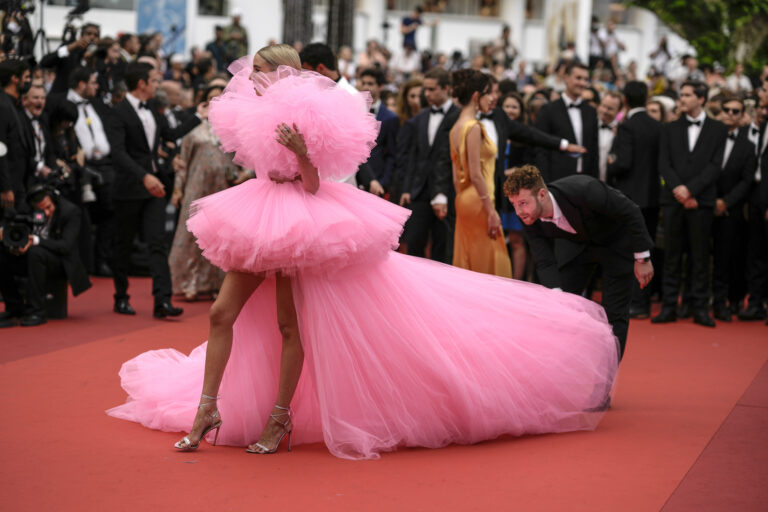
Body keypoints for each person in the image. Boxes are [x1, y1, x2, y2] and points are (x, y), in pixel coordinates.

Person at [107, 46, 620, 460]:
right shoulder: (248, 110)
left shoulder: (306, 112)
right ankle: (207, 409)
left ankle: (280, 415)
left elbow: (311, 184)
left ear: (280, 74)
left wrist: (302, 153)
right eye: (251, 72)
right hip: (259, 216)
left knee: (291, 324)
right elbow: (261, 168)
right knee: (222, 314)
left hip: (300, 221)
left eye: (259, 72)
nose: (250, 79)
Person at [505, 165, 654, 360]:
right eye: (514, 204)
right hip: (576, 246)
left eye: (523, 203)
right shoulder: (530, 219)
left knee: (614, 317)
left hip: (615, 243)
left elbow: (631, 211)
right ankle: (566, 367)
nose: (519, 212)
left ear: (542, 194)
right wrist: (557, 298)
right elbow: (545, 261)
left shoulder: (584, 189)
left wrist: (642, 258)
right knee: (558, 308)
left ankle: (605, 383)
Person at [109, 61, 206, 318]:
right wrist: (144, 177)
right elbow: (118, 154)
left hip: (154, 187)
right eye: (154, 80)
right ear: (141, 84)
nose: (157, 84)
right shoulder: (118, 112)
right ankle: (121, 296)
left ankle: (162, 300)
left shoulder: (152, 107)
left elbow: (171, 135)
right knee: (124, 245)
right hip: (129, 188)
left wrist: (198, 115)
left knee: (157, 243)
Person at [652, 81, 727, 327]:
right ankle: (669, 307)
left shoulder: (718, 129)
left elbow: (715, 166)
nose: (682, 99)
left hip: (701, 201)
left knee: (700, 257)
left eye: (687, 95)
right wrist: (679, 190)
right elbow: (664, 164)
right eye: (681, 95)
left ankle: (699, 309)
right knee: (672, 256)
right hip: (674, 201)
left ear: (701, 99)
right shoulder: (669, 128)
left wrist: (692, 190)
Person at [169, 85, 236, 300]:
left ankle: (217, 283)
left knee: (219, 237)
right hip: (195, 188)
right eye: (210, 99)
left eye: (220, 98)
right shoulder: (193, 131)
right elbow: (183, 162)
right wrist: (178, 189)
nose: (215, 103)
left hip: (223, 190)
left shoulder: (233, 130)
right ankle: (190, 281)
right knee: (192, 236)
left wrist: (242, 176)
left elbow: (242, 160)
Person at [606, 81, 662, 319]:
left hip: (629, 198)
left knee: (628, 251)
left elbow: (624, 163)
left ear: (625, 100)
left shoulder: (627, 126)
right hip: (653, 196)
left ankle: (632, 302)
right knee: (646, 250)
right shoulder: (657, 126)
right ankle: (643, 301)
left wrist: (611, 165)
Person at [450, 70, 512, 277]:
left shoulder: (455, 127)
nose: (493, 98)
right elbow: (476, 174)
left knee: (469, 260)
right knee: (490, 264)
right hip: (479, 200)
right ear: (476, 96)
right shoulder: (473, 127)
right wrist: (490, 210)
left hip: (464, 198)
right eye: (488, 93)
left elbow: (455, 175)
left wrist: (463, 199)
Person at [0, 185, 91, 327]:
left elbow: (65, 246)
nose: (47, 213)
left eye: (48, 207)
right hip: (32, 257)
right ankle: (14, 306)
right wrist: (15, 246)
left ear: (54, 201)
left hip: (61, 262)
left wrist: (36, 241)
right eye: (41, 210)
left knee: (35, 253)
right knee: (3, 254)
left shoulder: (71, 212)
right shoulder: (27, 210)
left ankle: (37, 311)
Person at [399, 67, 458, 263]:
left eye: (432, 89)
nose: (427, 94)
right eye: (426, 89)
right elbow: (414, 157)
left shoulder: (459, 116)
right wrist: (407, 188)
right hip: (419, 190)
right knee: (414, 241)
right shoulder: (422, 117)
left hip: (447, 190)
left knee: (442, 246)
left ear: (446, 88)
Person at [711, 96, 755, 321]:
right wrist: (711, 200)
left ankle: (725, 302)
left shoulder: (748, 146)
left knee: (727, 258)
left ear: (741, 115)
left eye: (735, 111)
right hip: (704, 203)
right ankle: (698, 300)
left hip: (732, 209)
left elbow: (747, 181)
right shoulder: (709, 138)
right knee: (701, 257)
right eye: (726, 109)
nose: (729, 113)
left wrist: (725, 202)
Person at [534, 62, 599, 182]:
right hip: (557, 179)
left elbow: (594, 151)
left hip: (586, 181)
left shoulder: (591, 112)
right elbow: (540, 148)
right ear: (566, 78)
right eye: (578, 78)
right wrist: (545, 183)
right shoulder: (549, 110)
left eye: (586, 79)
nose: (582, 83)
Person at [0, 58, 32, 212]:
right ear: (14, 78)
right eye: (26, 77)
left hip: (18, 184)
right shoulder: (3, 106)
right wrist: (5, 188)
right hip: (7, 189)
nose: (29, 81)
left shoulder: (15, 105)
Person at [39, 23, 100, 95]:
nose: (92, 37)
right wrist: (70, 47)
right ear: (81, 36)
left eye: (96, 35)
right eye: (88, 34)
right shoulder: (70, 51)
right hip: (61, 97)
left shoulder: (99, 57)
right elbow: (45, 62)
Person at [596, 91, 622, 183]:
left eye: (610, 108)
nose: (605, 111)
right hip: (589, 183)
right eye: (603, 106)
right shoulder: (589, 126)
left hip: (612, 184)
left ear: (618, 111)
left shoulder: (622, 131)